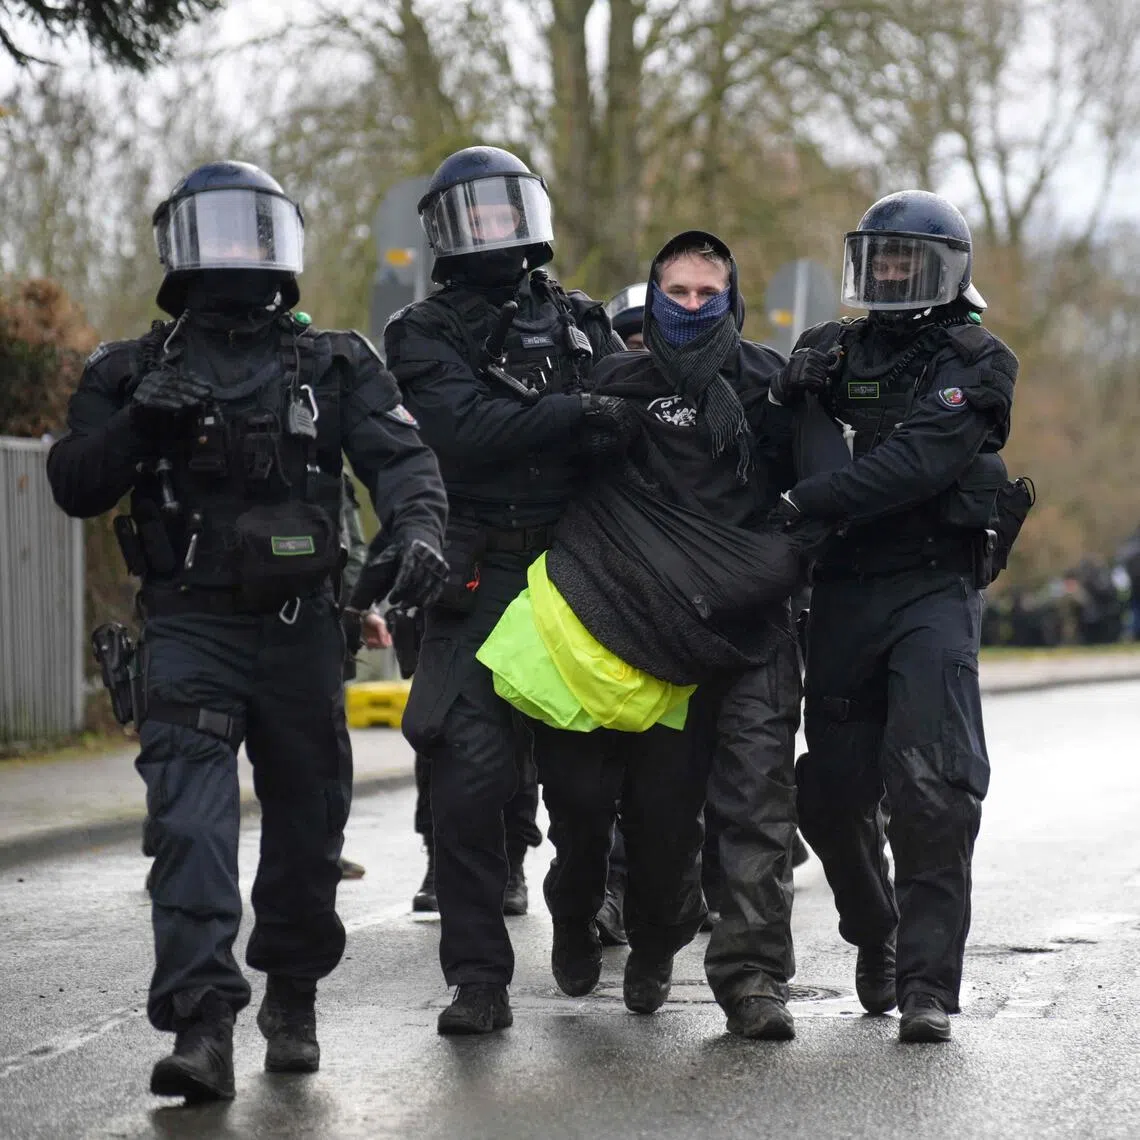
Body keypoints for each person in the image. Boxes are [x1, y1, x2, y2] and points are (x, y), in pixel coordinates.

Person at [47, 160, 447, 1100]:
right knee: (190, 826)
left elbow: (404, 460)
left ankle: (293, 994)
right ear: (179, 251)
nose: (234, 251)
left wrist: (421, 530)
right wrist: (140, 428)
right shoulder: (127, 370)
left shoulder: (335, 362)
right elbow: (73, 482)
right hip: (188, 627)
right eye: (214, 232)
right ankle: (203, 1025)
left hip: (304, 630)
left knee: (310, 830)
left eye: (251, 231)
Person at [380, 145, 626, 1035]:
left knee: (587, 787)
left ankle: (576, 907)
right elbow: (464, 430)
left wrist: (586, 422)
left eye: (503, 209)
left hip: (571, 578)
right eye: (472, 214)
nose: (491, 229)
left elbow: (621, 428)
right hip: (475, 577)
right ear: (447, 230)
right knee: (468, 781)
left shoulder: (581, 320)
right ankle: (478, 978)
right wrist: (568, 416)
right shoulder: (418, 334)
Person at [534, 231, 803, 1039]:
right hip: (643, 632)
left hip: (752, 629)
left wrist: (773, 570)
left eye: (705, 294)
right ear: (653, 297)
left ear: (730, 297)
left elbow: (813, 495)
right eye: (676, 293)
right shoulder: (614, 383)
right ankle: (608, 921)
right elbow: (565, 492)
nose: (690, 306)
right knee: (634, 817)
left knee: (754, 804)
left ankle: (752, 979)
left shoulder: (770, 386)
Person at [774, 190, 1018, 1043]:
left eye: (908, 260)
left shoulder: (980, 360)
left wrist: (804, 498)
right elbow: (777, 444)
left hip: (930, 589)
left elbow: (916, 462)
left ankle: (925, 985)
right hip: (840, 591)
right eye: (879, 258)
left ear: (946, 270)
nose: (890, 274)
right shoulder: (822, 349)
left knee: (933, 789)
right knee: (830, 792)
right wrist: (787, 399)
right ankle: (875, 932)